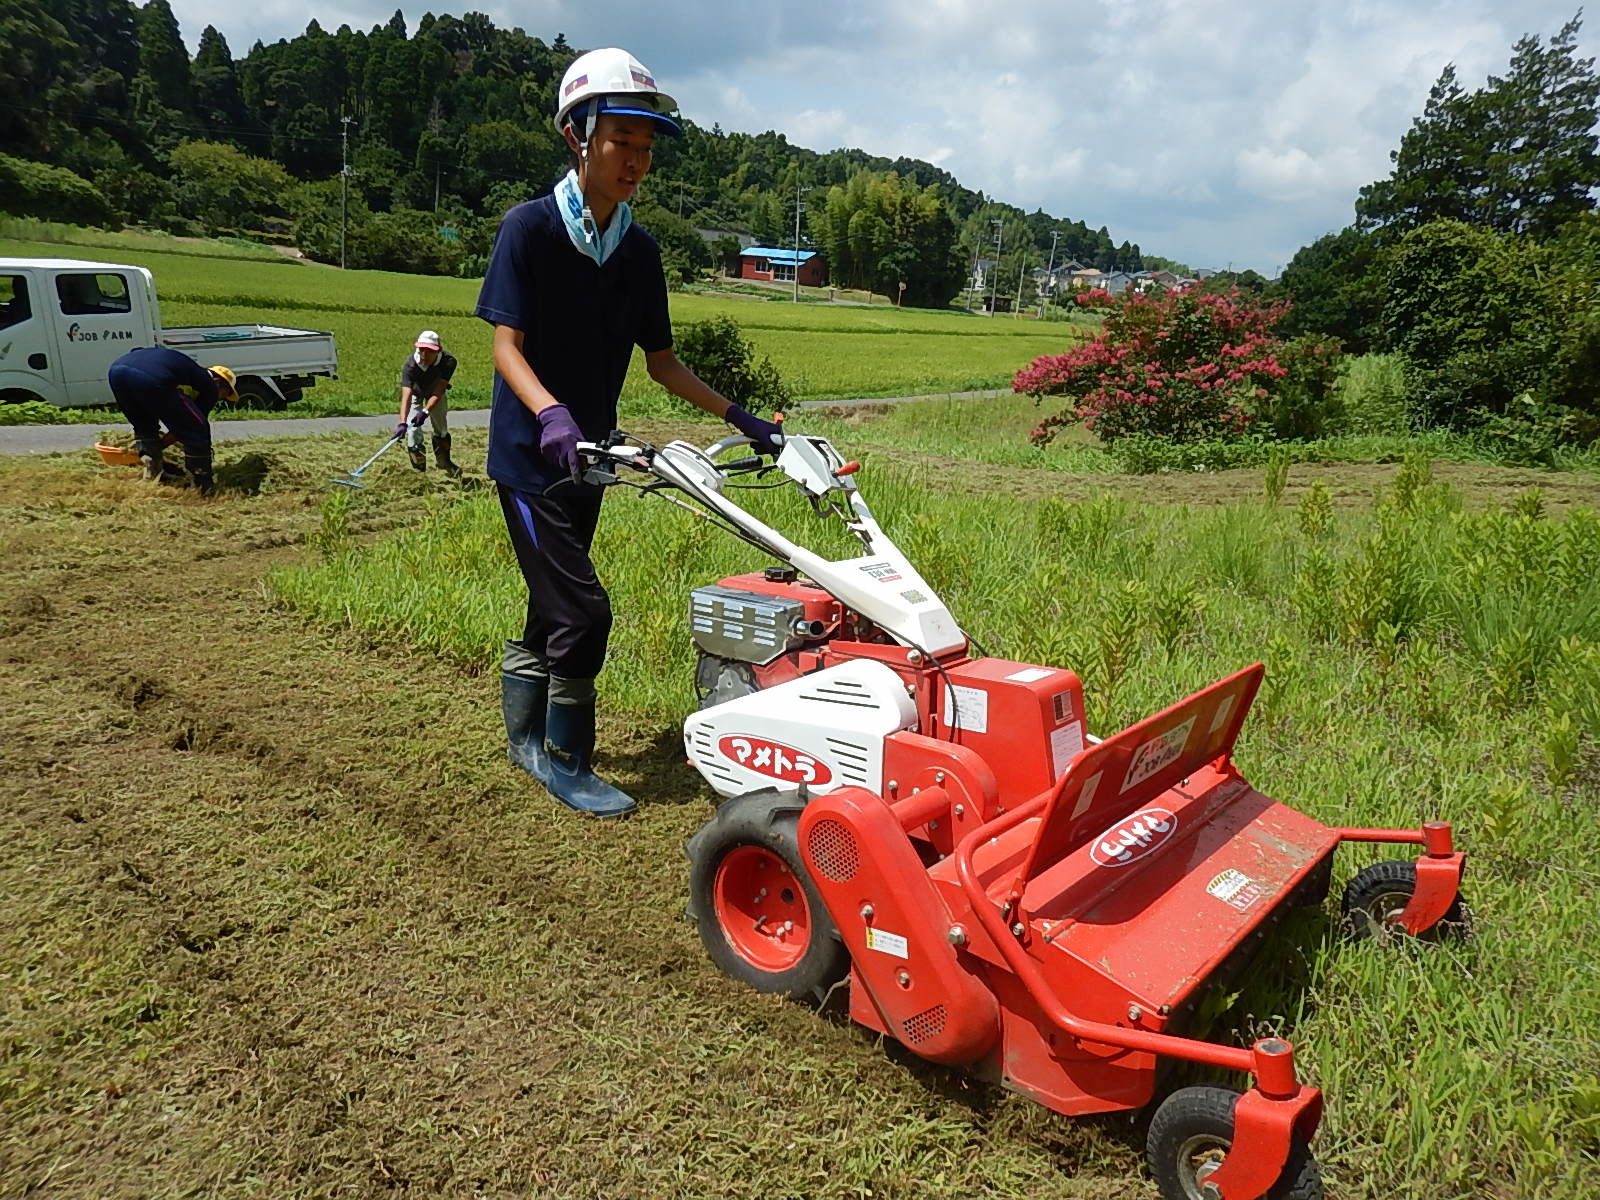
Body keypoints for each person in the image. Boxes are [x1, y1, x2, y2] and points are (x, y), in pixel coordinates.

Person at [475, 46, 783, 819]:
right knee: (584, 611)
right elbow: (504, 347)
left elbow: (664, 363)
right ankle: (566, 758)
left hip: (591, 460)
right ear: (579, 135)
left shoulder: (639, 252)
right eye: (622, 143)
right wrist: (548, 412)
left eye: (646, 149)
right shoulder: (530, 230)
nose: (636, 162)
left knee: (553, 603)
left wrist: (739, 415)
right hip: (528, 459)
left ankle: (525, 739)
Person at [106, 346, 237, 496]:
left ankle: (152, 473)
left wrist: (150, 448)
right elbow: (188, 428)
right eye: (225, 394)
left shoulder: (185, 370)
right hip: (151, 376)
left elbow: (136, 351)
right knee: (197, 431)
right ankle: (203, 486)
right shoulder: (209, 386)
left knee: (145, 424)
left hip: (117, 372)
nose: (220, 399)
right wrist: (161, 445)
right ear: (219, 382)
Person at [395, 329, 461, 476]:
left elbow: (439, 390)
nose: (424, 355)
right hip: (416, 393)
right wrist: (402, 422)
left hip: (435, 393)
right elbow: (406, 395)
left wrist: (425, 411)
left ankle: (444, 462)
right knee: (412, 433)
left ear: (438, 351)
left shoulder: (448, 361)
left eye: (429, 351)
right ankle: (420, 472)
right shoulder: (411, 364)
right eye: (422, 350)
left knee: (441, 428)